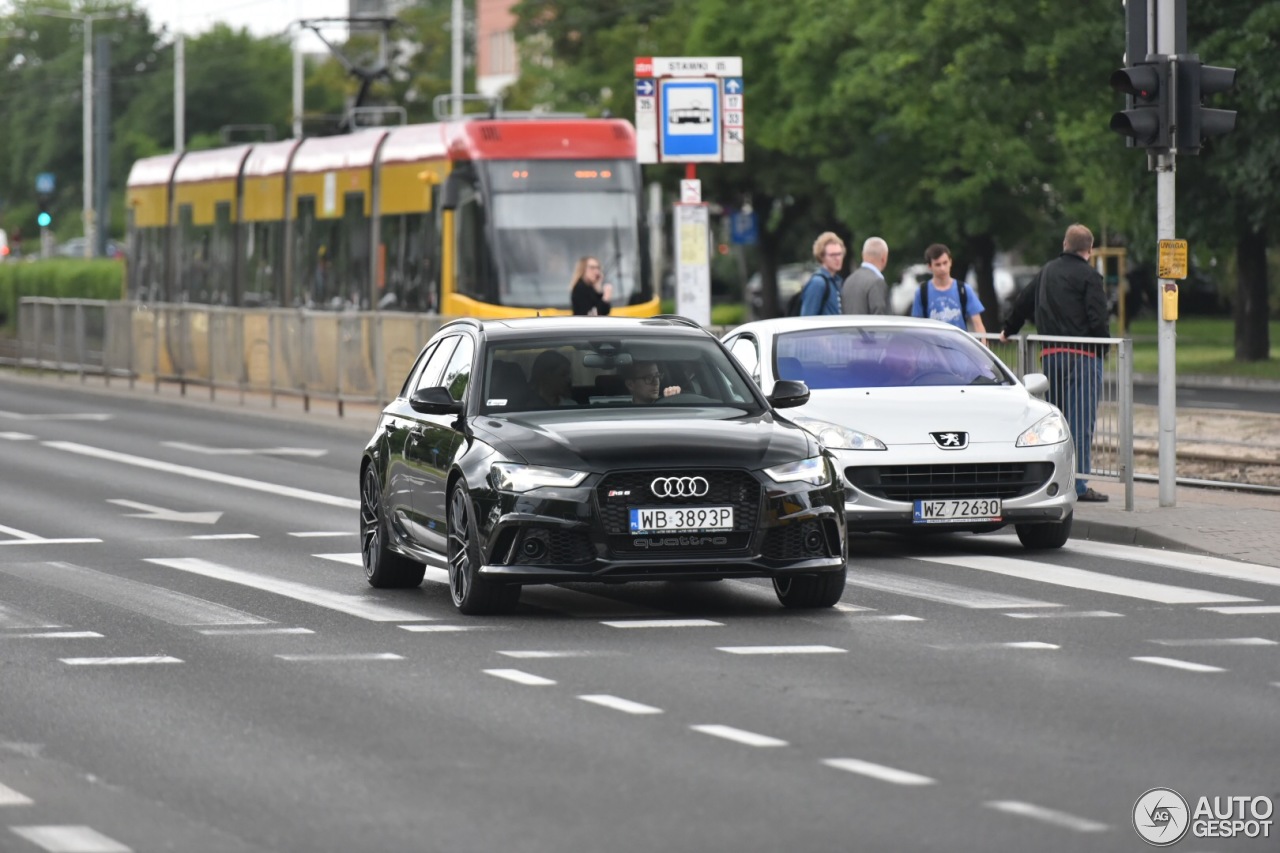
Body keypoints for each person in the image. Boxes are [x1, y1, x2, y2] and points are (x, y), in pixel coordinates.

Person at [1000, 223, 1110, 503]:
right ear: (1090, 249)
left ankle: (1059, 482)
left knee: (1058, 424)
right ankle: (1080, 484)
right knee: (1080, 424)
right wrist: (1103, 349)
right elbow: (1098, 319)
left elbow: (1023, 301)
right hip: (1084, 357)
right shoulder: (1091, 277)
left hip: (1052, 357)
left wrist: (1008, 329)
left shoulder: (1047, 271)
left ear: (1064, 244)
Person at [911, 243, 987, 339]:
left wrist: (983, 349)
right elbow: (916, 327)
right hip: (932, 350)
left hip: (959, 348)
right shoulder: (922, 292)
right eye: (938, 264)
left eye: (945, 263)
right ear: (930, 267)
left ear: (950, 262)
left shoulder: (963, 289)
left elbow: (978, 325)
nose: (942, 268)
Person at [798, 232, 845, 316]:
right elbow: (807, 318)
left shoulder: (836, 281)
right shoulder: (818, 283)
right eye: (832, 255)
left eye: (839, 254)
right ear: (822, 256)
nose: (837, 258)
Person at [842, 236, 890, 315]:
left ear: (862, 255)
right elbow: (880, 319)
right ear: (884, 258)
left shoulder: (849, 280)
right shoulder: (877, 282)